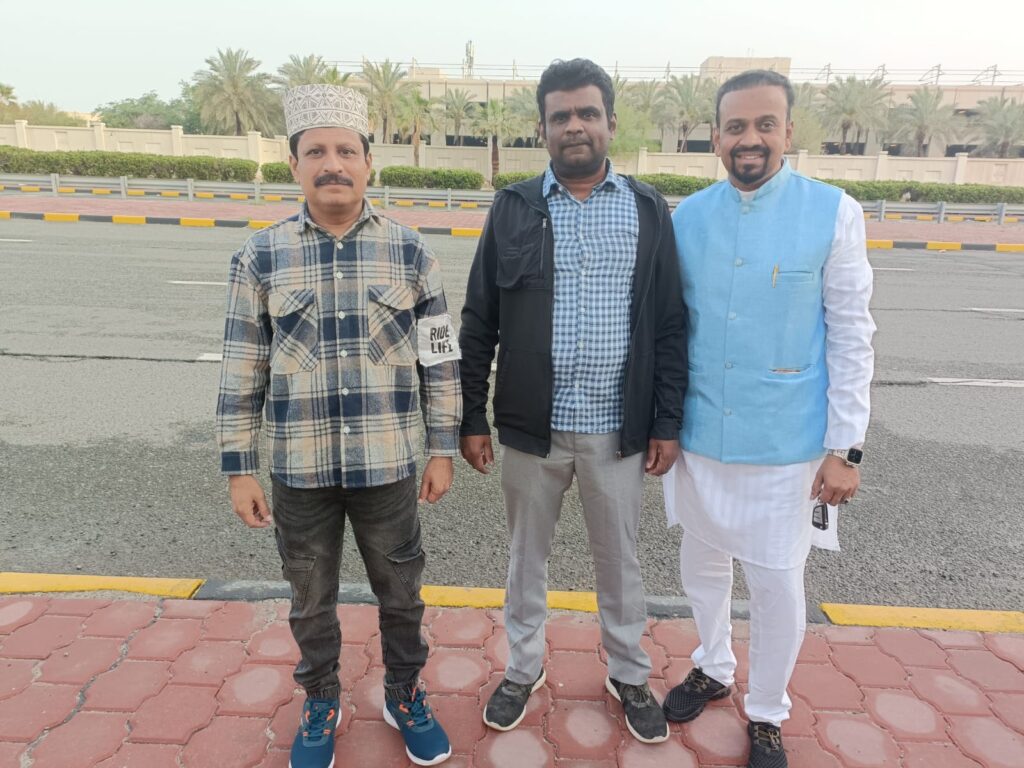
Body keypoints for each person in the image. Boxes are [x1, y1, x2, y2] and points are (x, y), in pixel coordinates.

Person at [216, 83, 460, 768]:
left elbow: (440, 358)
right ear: (294, 164)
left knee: (402, 594)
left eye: (347, 151)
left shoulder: (412, 254)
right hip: (300, 473)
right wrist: (238, 468)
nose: (333, 164)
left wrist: (442, 447)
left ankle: (404, 693)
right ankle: (321, 697)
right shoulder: (260, 258)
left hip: (388, 468)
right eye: (317, 152)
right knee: (309, 598)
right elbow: (241, 369)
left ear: (368, 163)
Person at [459, 58, 687, 744]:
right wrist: (472, 415)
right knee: (524, 559)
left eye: (588, 113)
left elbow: (669, 323)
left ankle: (628, 672)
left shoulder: (647, 208)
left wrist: (666, 420)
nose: (575, 126)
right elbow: (479, 319)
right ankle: (522, 668)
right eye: (561, 116)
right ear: (543, 129)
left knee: (620, 561)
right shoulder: (514, 207)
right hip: (533, 429)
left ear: (610, 122)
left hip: (618, 428)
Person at [661, 70, 875, 768]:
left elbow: (852, 333)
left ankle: (768, 712)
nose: (748, 139)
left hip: (787, 443)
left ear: (788, 131)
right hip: (700, 434)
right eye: (735, 126)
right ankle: (713, 665)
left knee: (777, 584)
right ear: (716, 136)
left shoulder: (833, 211)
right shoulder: (688, 217)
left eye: (764, 125)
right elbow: (671, 329)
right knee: (701, 562)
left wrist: (846, 447)